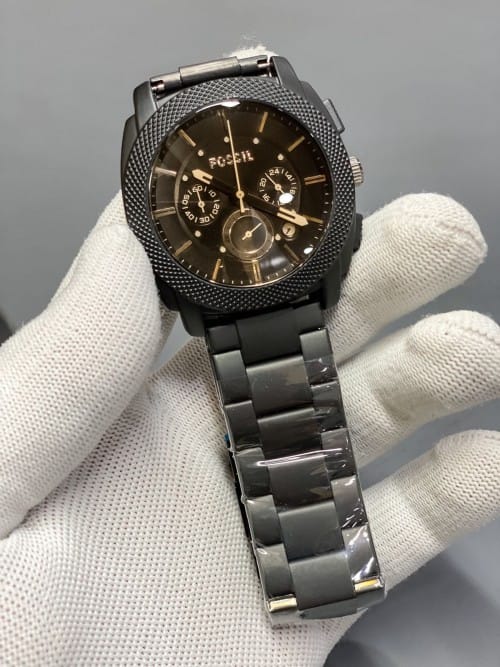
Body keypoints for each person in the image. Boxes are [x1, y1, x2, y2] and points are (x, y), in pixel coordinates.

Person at [1, 114, 499, 667]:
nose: (241, 200)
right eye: (216, 193)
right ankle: (317, 581)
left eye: (258, 190)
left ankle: (321, 583)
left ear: (341, 171)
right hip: (236, 303)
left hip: (295, 280)